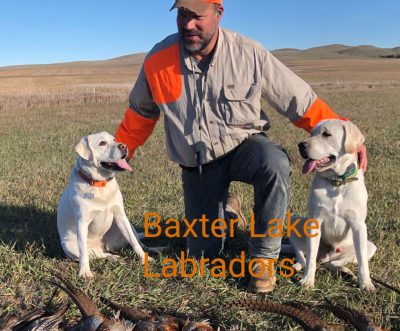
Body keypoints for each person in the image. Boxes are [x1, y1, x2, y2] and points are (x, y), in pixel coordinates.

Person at [115, 0, 367, 293]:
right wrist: (116, 155)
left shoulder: (249, 54)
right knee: (202, 257)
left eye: (197, 17)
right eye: (182, 15)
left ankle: (264, 258)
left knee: (274, 162)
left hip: (244, 148)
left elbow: (300, 101)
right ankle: (229, 217)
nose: (188, 25)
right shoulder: (158, 60)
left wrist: (347, 136)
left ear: (218, 14)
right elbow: (140, 114)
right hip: (198, 164)